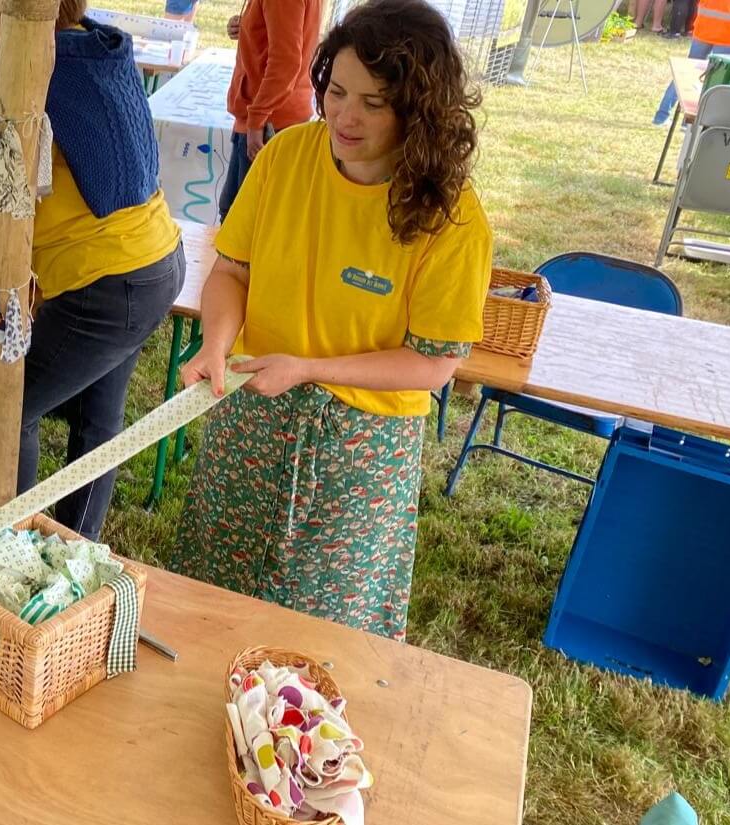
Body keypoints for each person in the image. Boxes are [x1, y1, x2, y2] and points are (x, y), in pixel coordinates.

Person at [167, 0, 492, 641]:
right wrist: (216, 343)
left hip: (359, 448)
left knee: (323, 630)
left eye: (374, 103)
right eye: (337, 92)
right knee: (212, 600)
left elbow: (433, 363)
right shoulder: (286, 157)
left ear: (419, 111)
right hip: (253, 409)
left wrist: (310, 369)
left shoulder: (450, 219)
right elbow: (232, 270)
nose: (345, 116)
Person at [0, 0, 184, 541]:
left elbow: (6, 201)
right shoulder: (88, 49)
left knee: (12, 403)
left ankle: (10, 542)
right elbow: (24, 193)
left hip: (108, 284)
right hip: (154, 260)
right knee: (98, 422)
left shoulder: (37, 73)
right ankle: (76, 548)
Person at [220, 0, 323, 220]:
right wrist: (248, 26)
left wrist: (257, 118)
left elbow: (285, 62)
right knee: (241, 215)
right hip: (274, 115)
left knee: (242, 220)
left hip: (270, 121)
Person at [652, 0, 730, 124]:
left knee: (686, 74)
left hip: (705, 27)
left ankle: (662, 116)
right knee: (714, 79)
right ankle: (690, 123)